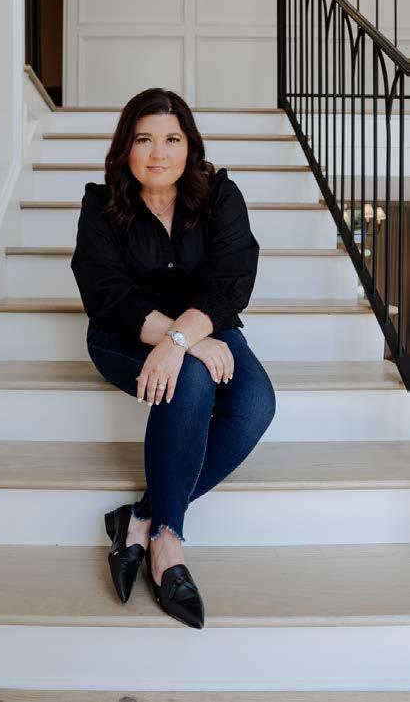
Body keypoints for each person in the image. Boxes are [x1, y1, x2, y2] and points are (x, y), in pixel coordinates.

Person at [70, 87, 276, 629]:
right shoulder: (100, 204)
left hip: (205, 325)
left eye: (172, 139)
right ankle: (167, 543)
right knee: (192, 379)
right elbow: (105, 292)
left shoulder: (219, 194)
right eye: (144, 139)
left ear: (190, 145)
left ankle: (140, 517)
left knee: (255, 405)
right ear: (125, 148)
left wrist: (182, 339)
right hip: (124, 333)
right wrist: (181, 343)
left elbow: (233, 280)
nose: (159, 153)